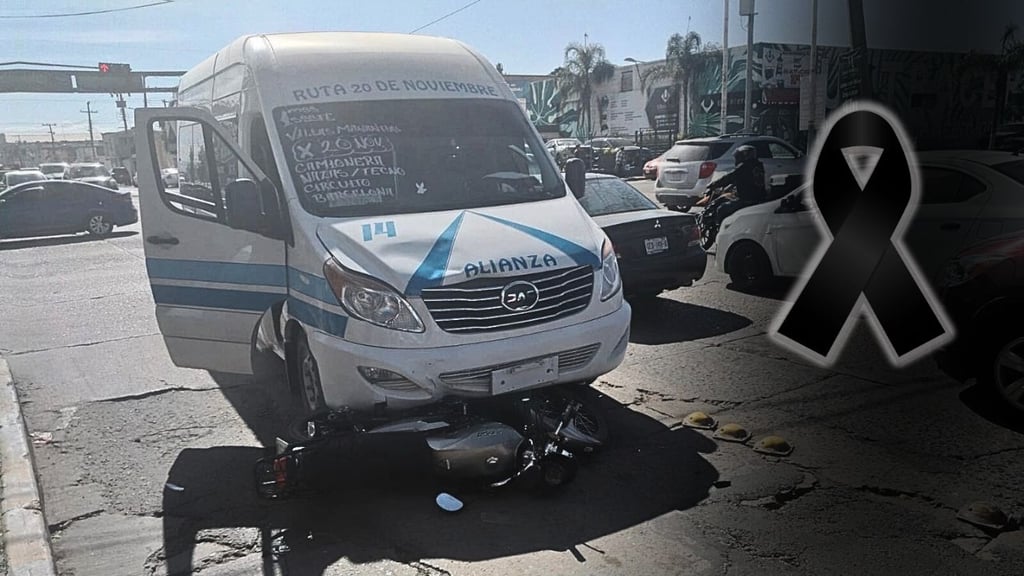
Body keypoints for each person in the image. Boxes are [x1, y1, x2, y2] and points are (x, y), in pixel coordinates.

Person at [694, 144, 766, 220]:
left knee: (722, 209)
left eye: (738, 156)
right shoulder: (757, 166)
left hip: (747, 199)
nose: (737, 159)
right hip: (758, 197)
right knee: (724, 199)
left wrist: (713, 185)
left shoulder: (744, 167)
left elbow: (728, 178)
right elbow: (744, 180)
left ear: (744, 156)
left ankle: (719, 226)